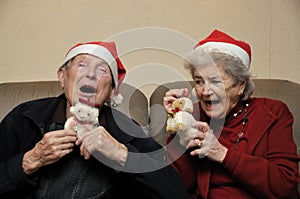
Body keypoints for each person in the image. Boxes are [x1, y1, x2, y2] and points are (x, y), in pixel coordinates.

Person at [0, 41, 186, 198]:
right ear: (62, 77)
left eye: (102, 70)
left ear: (112, 91)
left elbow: (175, 193)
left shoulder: (128, 131)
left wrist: (121, 155)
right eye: (82, 65)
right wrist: (30, 160)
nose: (90, 75)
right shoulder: (25, 118)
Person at [163, 29, 300, 198]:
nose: (205, 91)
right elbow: (175, 186)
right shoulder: (196, 117)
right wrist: (180, 123)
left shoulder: (272, 113)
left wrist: (222, 154)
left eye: (216, 81)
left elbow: (287, 187)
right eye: (199, 81)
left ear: (241, 85)